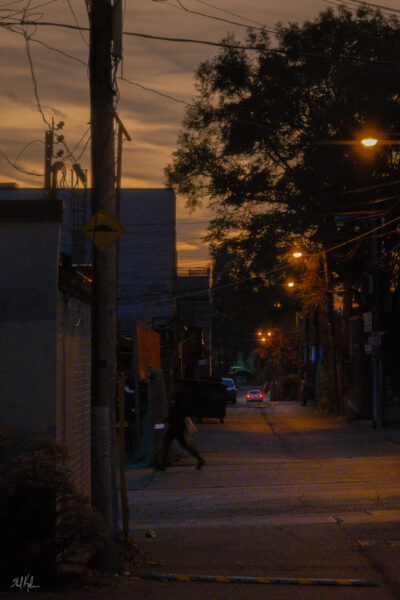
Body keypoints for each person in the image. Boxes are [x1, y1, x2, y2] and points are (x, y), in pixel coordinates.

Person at [160, 380, 205, 470]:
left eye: (174, 387)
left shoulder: (177, 399)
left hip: (176, 425)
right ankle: (199, 459)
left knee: (167, 443)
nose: (173, 388)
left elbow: (176, 413)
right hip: (176, 425)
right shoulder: (177, 398)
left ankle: (163, 464)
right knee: (181, 444)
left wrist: (168, 419)